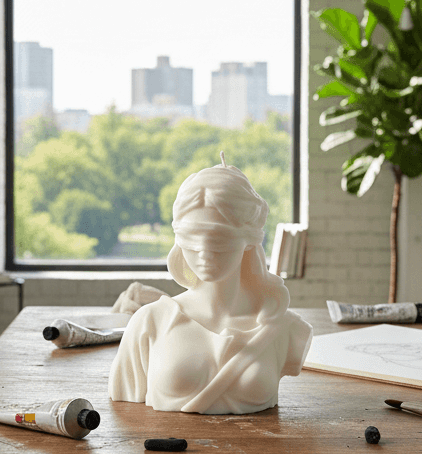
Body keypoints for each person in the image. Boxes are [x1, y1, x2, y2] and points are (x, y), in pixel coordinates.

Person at [108, 157, 312, 414]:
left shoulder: (284, 328)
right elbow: (125, 410)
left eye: (219, 238)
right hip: (166, 438)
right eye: (192, 238)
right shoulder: (150, 322)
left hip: (260, 440)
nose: (204, 252)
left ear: (248, 240)